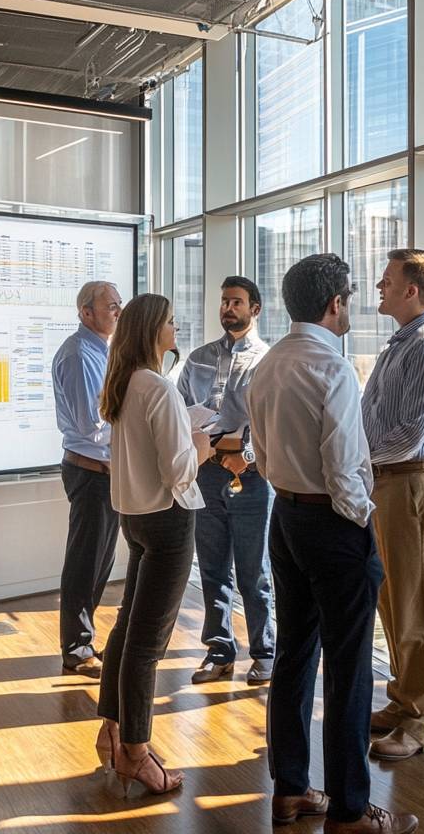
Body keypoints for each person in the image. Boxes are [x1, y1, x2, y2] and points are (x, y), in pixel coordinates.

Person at [248, 254, 418, 834]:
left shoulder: (268, 363)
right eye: (348, 298)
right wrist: (364, 520)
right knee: (349, 670)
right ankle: (349, 811)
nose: (351, 307)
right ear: (334, 303)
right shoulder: (333, 368)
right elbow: (344, 469)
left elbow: (262, 454)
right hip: (333, 524)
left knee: (294, 655)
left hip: (285, 517)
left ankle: (291, 791)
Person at [93, 293, 212, 797]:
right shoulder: (158, 388)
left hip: (136, 519)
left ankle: (112, 731)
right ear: (152, 331)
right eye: (170, 322)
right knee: (147, 645)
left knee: (127, 629)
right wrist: (202, 445)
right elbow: (178, 471)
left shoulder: (123, 384)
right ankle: (137, 754)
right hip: (168, 521)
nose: (175, 328)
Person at [361, 249, 424, 762]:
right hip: (388, 481)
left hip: (412, 481)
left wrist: (355, 457)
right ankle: (403, 701)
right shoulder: (402, 343)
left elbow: (412, 434)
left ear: (411, 290)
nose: (379, 285)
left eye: (387, 279)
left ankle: (419, 720)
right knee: (393, 599)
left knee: (417, 604)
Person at [178, 276, 275, 686]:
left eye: (236, 302)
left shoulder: (268, 361)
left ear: (255, 309)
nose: (228, 309)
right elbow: (180, 412)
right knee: (213, 567)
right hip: (206, 472)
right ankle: (219, 652)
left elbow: (272, 422)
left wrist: (245, 454)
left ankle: (265, 653)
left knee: (255, 571)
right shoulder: (198, 358)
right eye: (224, 302)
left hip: (251, 477)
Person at [51, 281, 123, 678]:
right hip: (90, 471)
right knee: (85, 563)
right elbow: (90, 424)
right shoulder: (80, 354)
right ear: (86, 312)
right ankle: (77, 650)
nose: (118, 312)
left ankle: (84, 642)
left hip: (105, 473)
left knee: (99, 562)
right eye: (110, 306)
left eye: (119, 304)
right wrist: (135, 423)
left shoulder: (103, 350)